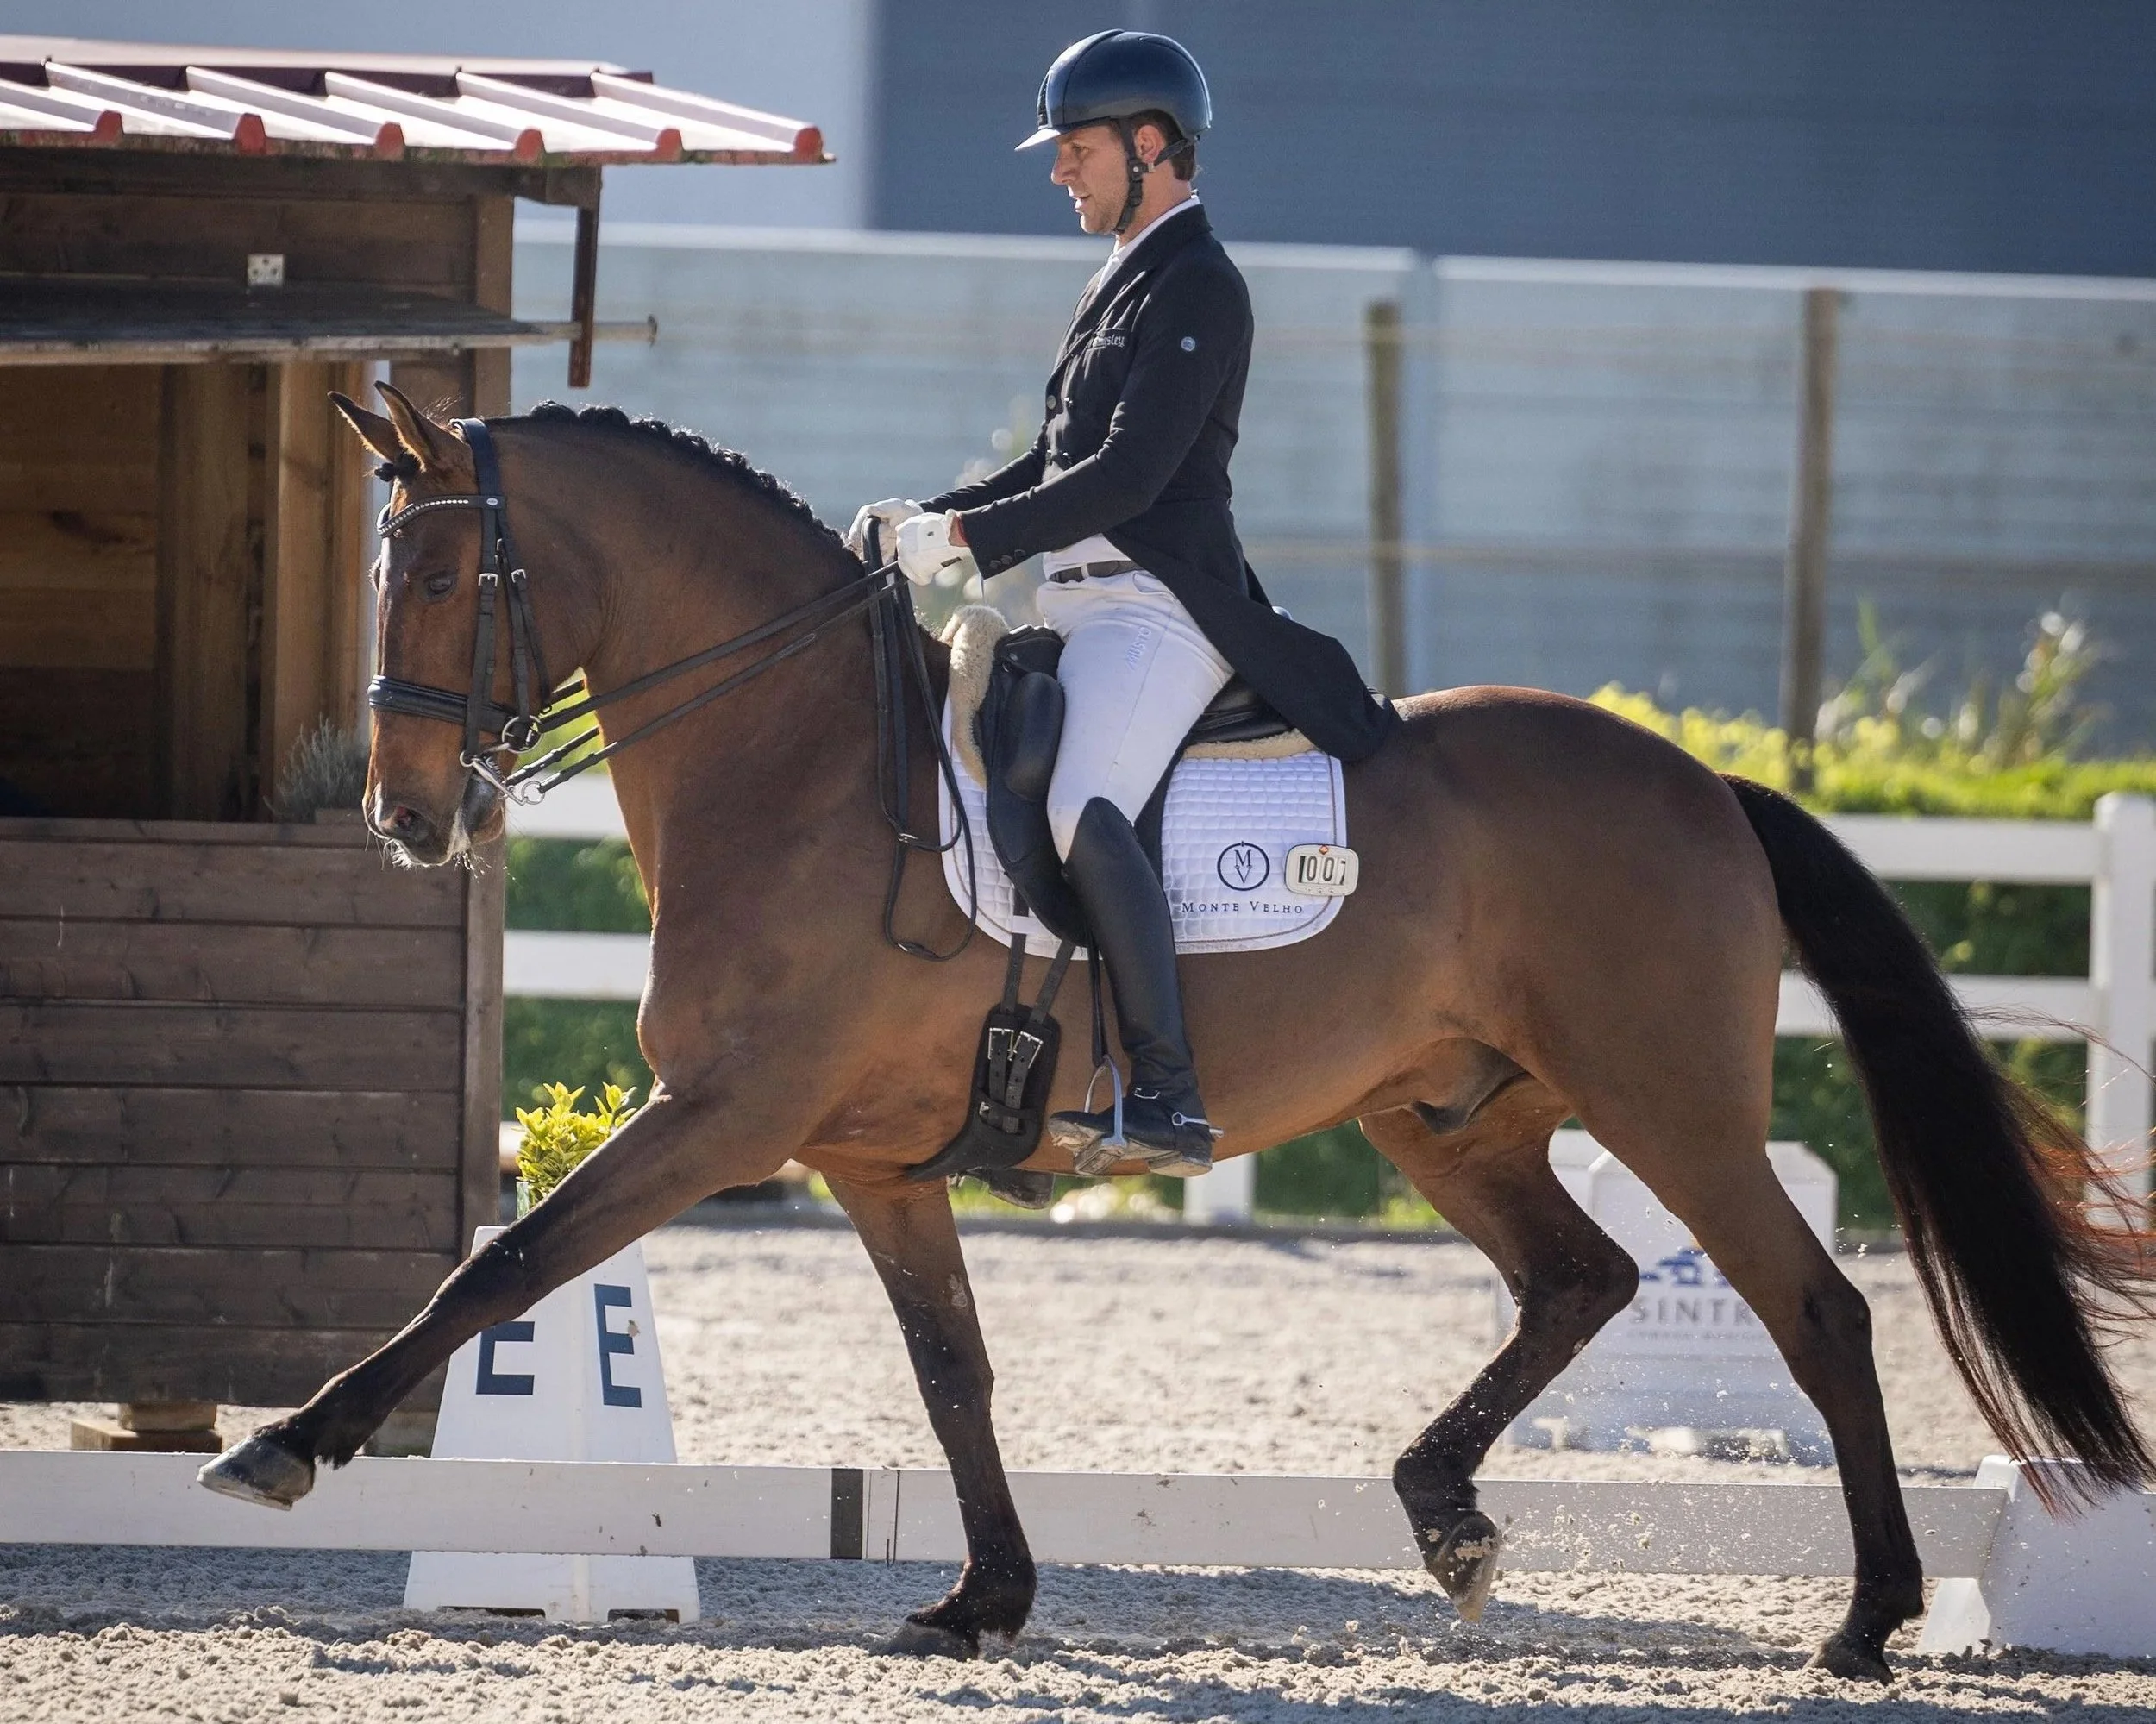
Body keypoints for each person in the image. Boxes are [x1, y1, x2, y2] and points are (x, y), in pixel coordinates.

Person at [850, 29, 1397, 1177]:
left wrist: (969, 541)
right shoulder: (1118, 281)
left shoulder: (1200, 283)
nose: (1060, 170)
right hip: (1083, 602)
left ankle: (1170, 1095)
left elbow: (1129, 476)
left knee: (1078, 802)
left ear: (1152, 147)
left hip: (1158, 609)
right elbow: (1053, 464)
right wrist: (927, 518)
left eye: (1079, 148)